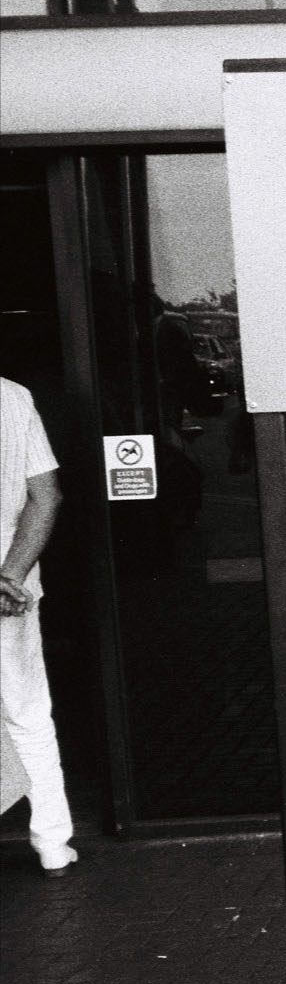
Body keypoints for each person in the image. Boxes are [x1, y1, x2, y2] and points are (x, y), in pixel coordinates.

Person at [1, 376, 77, 877]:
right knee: (27, 710)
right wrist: (10, 572)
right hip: (10, 590)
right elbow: (45, 496)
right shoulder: (12, 396)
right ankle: (52, 842)